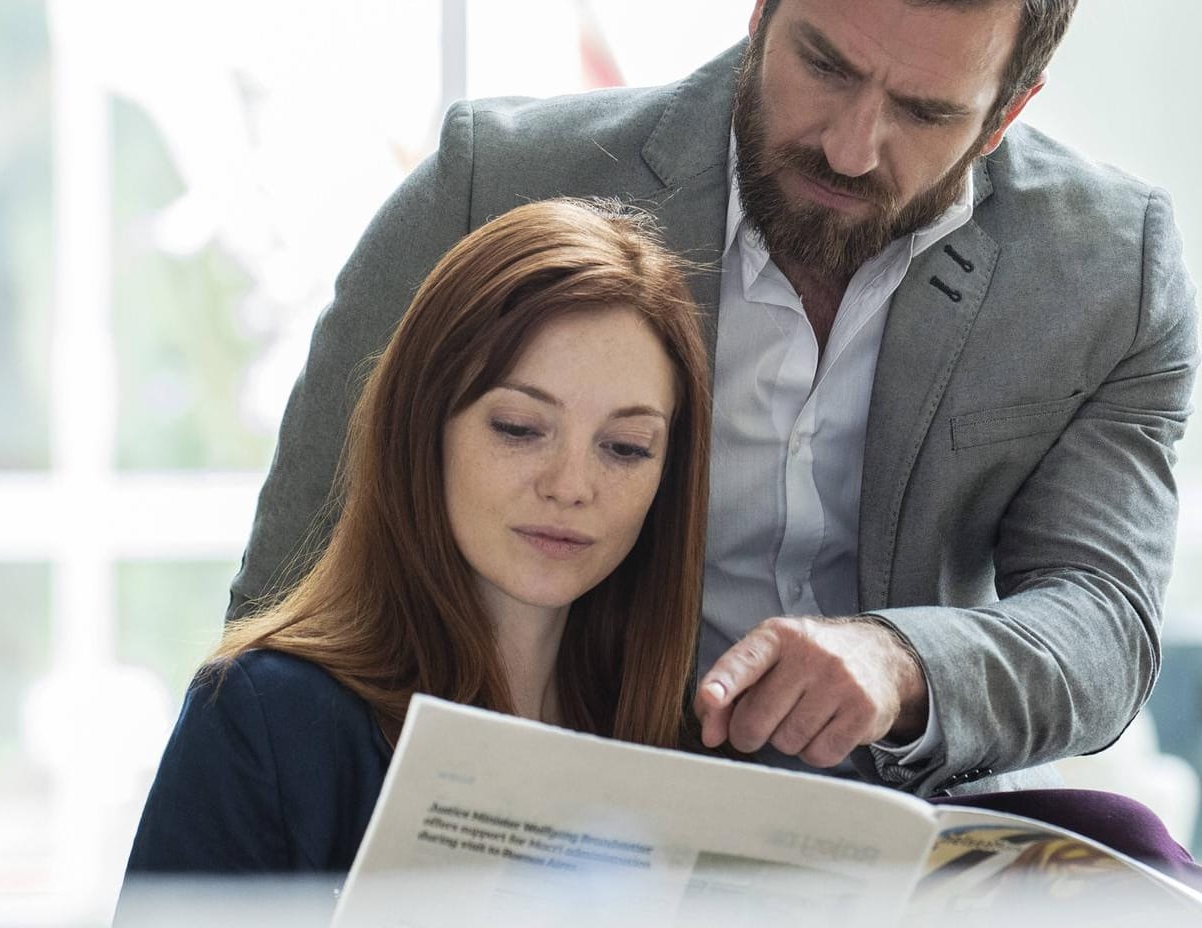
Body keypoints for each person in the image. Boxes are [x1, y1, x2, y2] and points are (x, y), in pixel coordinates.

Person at [230, 0, 1199, 799]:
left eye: (925, 112)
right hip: (531, 798)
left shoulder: (1108, 268)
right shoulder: (496, 185)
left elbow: (1104, 622)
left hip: (908, 829)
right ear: (759, 15)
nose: (853, 148)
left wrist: (902, 664)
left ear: (1007, 113)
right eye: (824, 66)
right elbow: (297, 578)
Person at [121, 198, 712, 876]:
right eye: (520, 429)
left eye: (626, 447)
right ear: (424, 426)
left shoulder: (684, 749)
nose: (571, 485)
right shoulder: (265, 722)